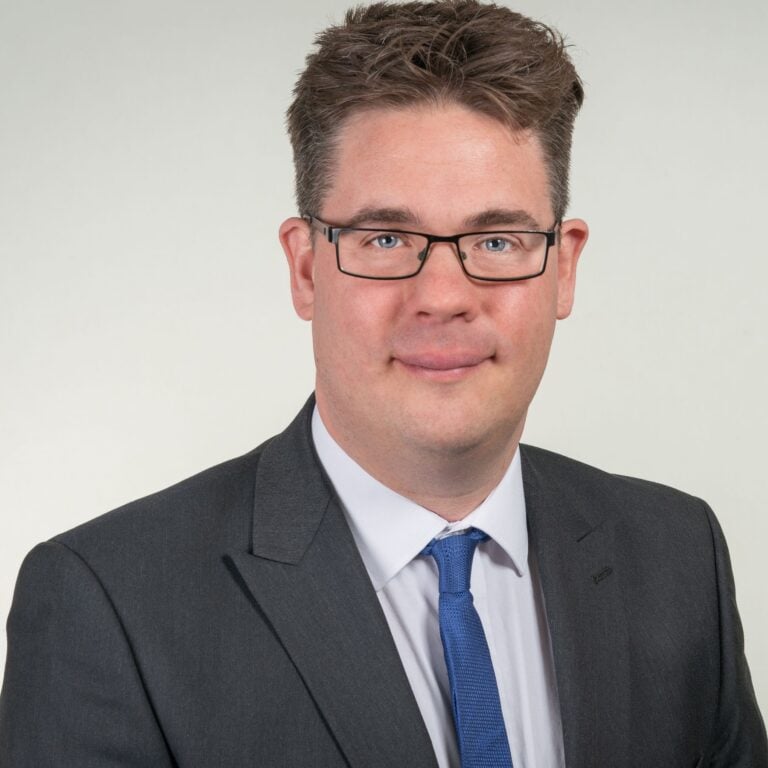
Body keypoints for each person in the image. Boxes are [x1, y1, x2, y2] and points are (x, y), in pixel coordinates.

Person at [1, 1, 766, 765]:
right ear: (306, 268)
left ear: (563, 268)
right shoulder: (108, 605)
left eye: (497, 240)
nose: (443, 297)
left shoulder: (677, 557)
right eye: (387, 238)